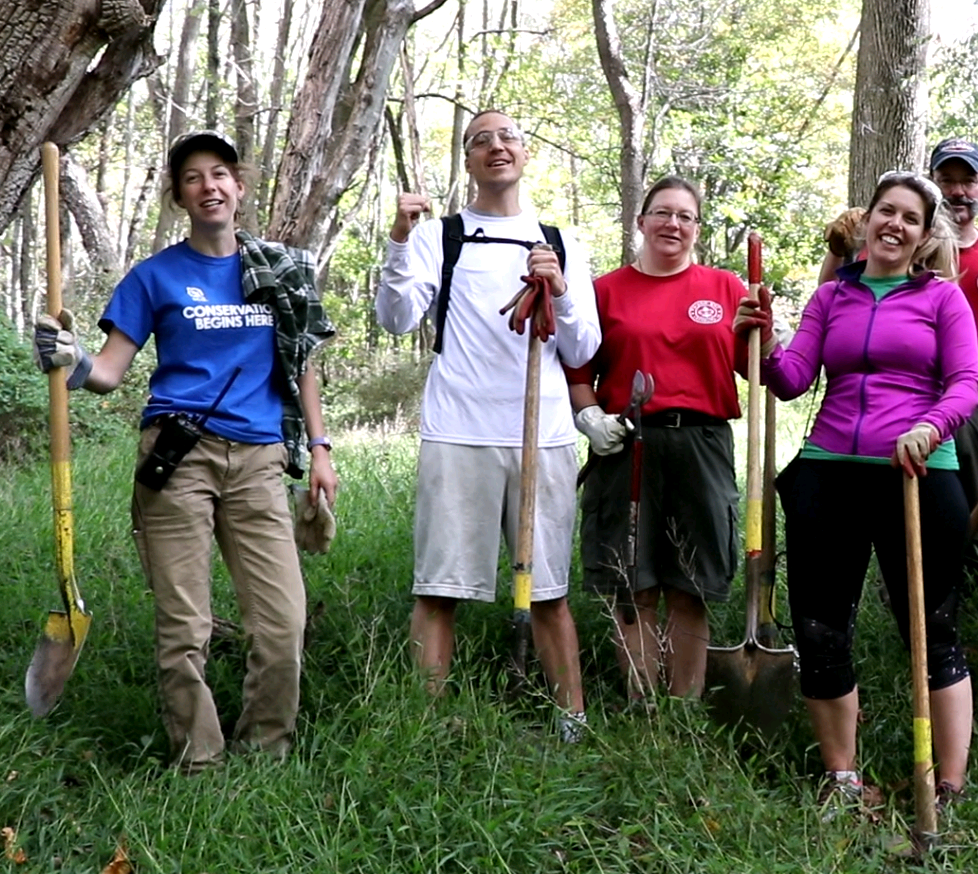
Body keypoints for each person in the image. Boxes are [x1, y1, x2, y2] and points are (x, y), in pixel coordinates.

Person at [32, 130, 337, 772]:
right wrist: (70, 359)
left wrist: (321, 447)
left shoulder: (278, 270)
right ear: (180, 196)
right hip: (177, 458)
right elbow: (110, 371)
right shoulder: (155, 277)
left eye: (221, 173)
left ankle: (264, 752)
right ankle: (199, 764)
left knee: (283, 625)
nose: (209, 186)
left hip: (258, 459)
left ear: (239, 187)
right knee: (184, 627)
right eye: (193, 177)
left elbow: (302, 365)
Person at [735, 172, 978, 813]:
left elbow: (966, 385)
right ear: (867, 220)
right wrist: (750, 338)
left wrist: (929, 426)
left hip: (918, 475)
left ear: (926, 236)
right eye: (885, 212)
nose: (894, 225)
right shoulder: (832, 297)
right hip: (829, 470)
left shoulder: (943, 300)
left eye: (910, 218)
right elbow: (787, 379)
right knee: (819, 629)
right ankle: (842, 777)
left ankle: (947, 782)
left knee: (933, 629)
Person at [375, 110, 600, 738]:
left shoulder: (560, 240)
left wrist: (555, 291)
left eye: (507, 138)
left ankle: (571, 722)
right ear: (468, 162)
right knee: (439, 587)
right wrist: (398, 238)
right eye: (481, 141)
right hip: (458, 431)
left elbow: (583, 348)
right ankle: (427, 725)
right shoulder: (437, 236)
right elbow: (396, 318)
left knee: (551, 590)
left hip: (544, 434)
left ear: (525, 154)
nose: (495, 147)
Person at [820, 138, 978, 579]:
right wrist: (838, 249)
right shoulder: (891, 251)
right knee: (909, 519)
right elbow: (829, 304)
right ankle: (909, 610)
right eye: (947, 180)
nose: (958, 192)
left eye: (968, 180)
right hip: (904, 406)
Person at [569, 176, 749, 701]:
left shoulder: (725, 289)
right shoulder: (604, 291)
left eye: (685, 216)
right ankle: (642, 704)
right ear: (642, 222)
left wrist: (768, 336)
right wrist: (589, 419)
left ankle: (683, 706)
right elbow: (578, 373)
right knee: (632, 581)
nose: (673, 224)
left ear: (697, 228)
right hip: (626, 443)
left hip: (703, 445)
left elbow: (759, 369)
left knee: (691, 582)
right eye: (662, 213)